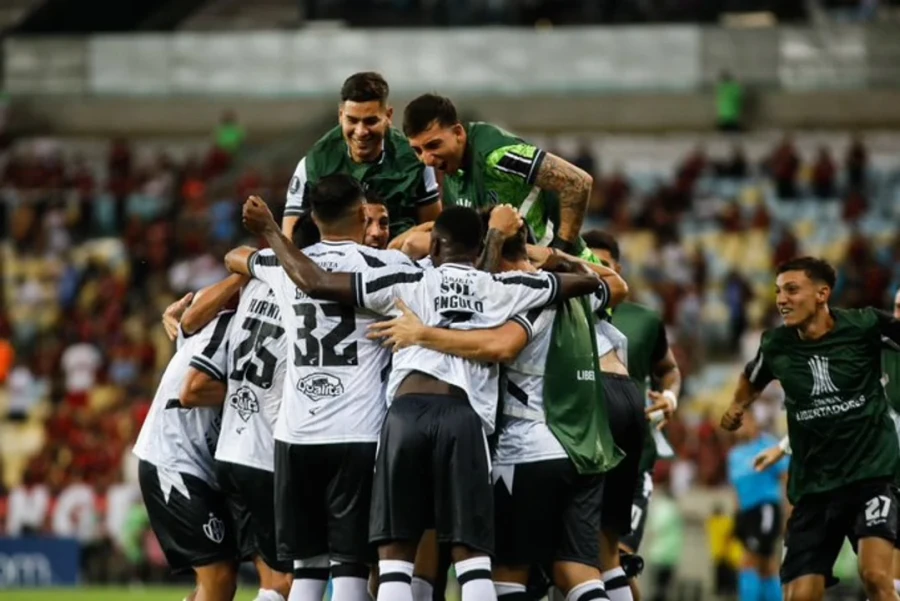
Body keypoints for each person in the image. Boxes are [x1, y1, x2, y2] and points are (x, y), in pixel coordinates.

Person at [241, 191, 610, 601]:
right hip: (463, 418)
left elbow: (316, 282)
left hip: (405, 417)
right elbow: (590, 282)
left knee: (396, 557)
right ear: (483, 248)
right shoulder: (507, 286)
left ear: (435, 246)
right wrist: (556, 262)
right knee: (472, 560)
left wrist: (271, 231)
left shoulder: (409, 279)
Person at [367, 209, 628, 601]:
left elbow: (499, 346)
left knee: (505, 571)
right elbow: (616, 286)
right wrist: (557, 256)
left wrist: (422, 334)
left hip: (529, 446)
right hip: (584, 446)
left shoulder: (518, 294)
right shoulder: (572, 290)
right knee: (578, 568)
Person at [227, 175, 418, 601]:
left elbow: (235, 257)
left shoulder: (284, 264)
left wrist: (267, 237)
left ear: (312, 215)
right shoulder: (389, 268)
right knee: (350, 566)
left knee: (307, 571)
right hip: (357, 434)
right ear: (361, 212)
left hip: (295, 437)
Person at [720, 257, 900, 601]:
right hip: (814, 489)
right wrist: (737, 406)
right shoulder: (775, 344)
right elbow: (752, 377)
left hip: (870, 477)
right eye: (777, 292)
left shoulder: (864, 325)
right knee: (800, 596)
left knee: (876, 575)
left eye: (791, 289)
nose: (781, 299)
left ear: (822, 294)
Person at [178, 272, 293, 601]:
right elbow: (192, 389)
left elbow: (187, 322)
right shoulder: (297, 294)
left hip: (230, 455)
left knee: (266, 581)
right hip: (263, 457)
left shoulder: (244, 309)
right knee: (287, 581)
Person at [584, 230, 682, 601]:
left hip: (632, 459)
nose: (595, 274)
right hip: (580, 454)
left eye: (604, 266)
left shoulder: (644, 320)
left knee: (615, 559)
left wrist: (670, 396)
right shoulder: (564, 309)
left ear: (619, 269)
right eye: (588, 264)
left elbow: (669, 369)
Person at [401, 93, 595, 261]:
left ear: (458, 133)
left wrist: (559, 252)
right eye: (417, 150)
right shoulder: (452, 168)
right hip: (524, 279)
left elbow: (577, 182)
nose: (425, 159)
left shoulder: (496, 155)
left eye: (434, 145)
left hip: (572, 278)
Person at [133, 307, 238, 601]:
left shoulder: (209, 321)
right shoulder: (226, 323)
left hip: (199, 465)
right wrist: (253, 390)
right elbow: (191, 391)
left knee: (219, 581)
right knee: (219, 580)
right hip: (173, 460)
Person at [282, 72, 441, 241]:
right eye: (352, 120)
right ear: (340, 115)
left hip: (398, 260)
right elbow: (290, 241)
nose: (361, 131)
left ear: (388, 116)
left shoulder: (415, 160)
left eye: (371, 121)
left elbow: (431, 232)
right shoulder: (313, 164)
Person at [727, 409, 788, 601]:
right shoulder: (734, 455)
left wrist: (789, 514)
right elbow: (736, 490)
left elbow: (786, 479)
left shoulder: (769, 446)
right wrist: (736, 519)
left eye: (744, 421)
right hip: (746, 514)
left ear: (754, 422)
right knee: (766, 566)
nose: (740, 427)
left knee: (749, 562)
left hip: (765, 510)